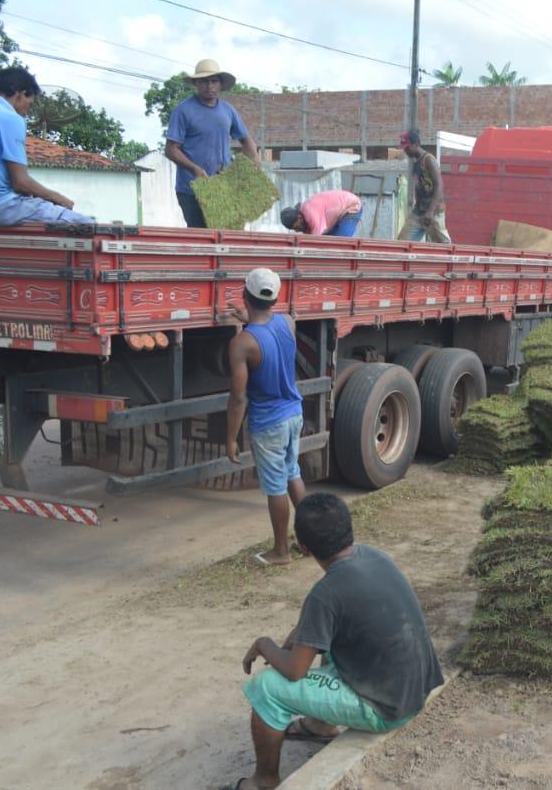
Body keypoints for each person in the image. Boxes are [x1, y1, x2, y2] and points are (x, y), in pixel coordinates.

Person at [234, 493, 445, 790]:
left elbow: (295, 670)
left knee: (266, 687)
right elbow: (319, 623)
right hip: (412, 689)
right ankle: (317, 725)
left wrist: (263, 644)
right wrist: (297, 636)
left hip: (386, 709)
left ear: (303, 547)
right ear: (350, 529)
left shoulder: (326, 593)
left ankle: (264, 781)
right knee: (328, 635)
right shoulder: (373, 556)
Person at [227, 268, 305, 567]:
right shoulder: (288, 323)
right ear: (275, 298)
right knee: (292, 474)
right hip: (294, 413)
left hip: (268, 422)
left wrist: (230, 438)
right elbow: (268, 331)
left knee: (275, 486)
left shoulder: (241, 344)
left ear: (245, 295)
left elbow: (238, 398)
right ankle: (311, 539)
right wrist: (247, 319)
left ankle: (281, 552)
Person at [0, 67, 95, 226]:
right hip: (4, 208)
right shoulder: (10, 118)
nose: (27, 110)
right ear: (20, 94)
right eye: (30, 102)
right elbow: (20, 182)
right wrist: (59, 198)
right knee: (86, 224)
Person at [166, 59, 259, 229]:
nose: (209, 86)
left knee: (229, 235)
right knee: (202, 240)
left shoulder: (228, 110)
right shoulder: (183, 110)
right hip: (191, 189)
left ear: (220, 84)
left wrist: (256, 163)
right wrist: (195, 169)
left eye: (213, 81)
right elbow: (171, 150)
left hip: (223, 186)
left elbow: (246, 140)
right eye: (203, 81)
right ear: (195, 83)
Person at [395, 129, 451, 243]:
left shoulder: (428, 160)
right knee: (402, 243)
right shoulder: (416, 161)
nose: (405, 151)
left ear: (415, 144)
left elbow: (439, 185)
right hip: (419, 212)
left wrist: (430, 211)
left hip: (434, 213)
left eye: (407, 147)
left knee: (444, 248)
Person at [280, 190, 364, 237]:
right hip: (336, 214)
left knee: (340, 241)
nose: (297, 231)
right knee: (330, 243)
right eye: (294, 229)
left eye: (297, 227)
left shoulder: (310, 213)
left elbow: (316, 239)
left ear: (299, 218)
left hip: (351, 206)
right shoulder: (304, 220)